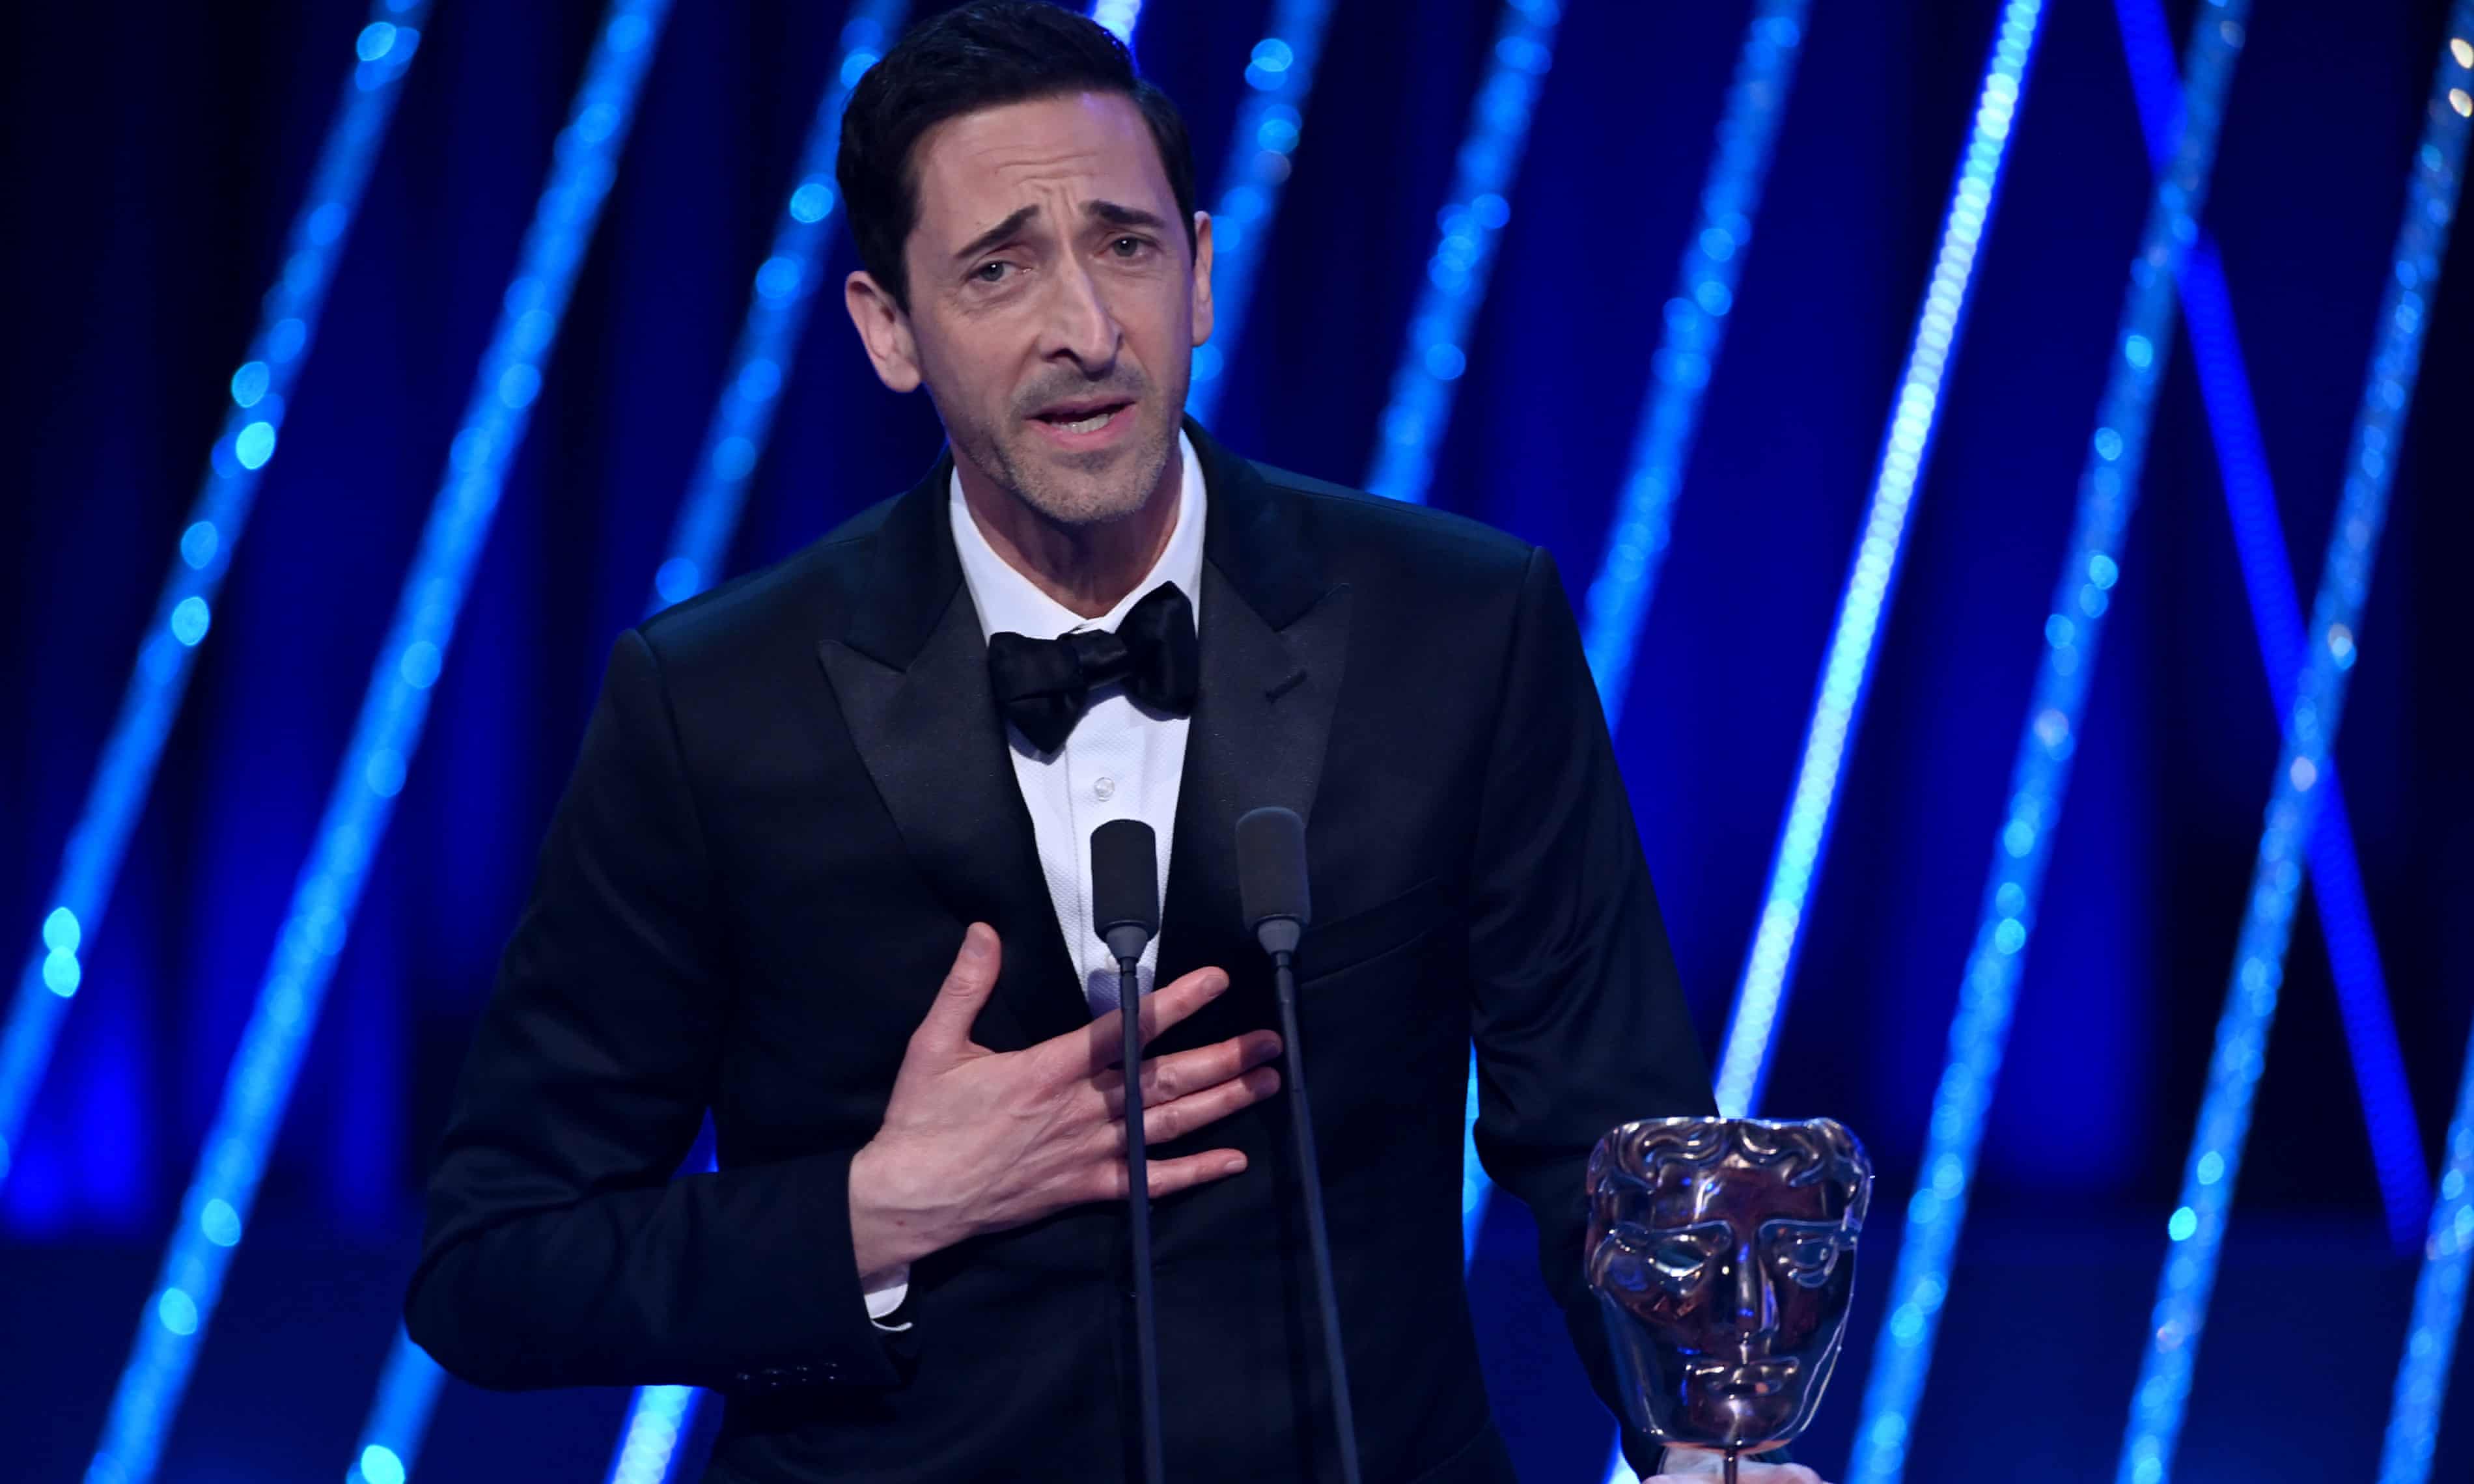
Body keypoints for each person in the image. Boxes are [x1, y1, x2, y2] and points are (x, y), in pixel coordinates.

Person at [406, 5, 1822, 1480]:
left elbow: (1609, 1135)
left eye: (1126, 247)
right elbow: (496, 1264)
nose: (1085, 330)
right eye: (998, 268)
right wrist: (875, 1213)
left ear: (1199, 272)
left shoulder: (1460, 628)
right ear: (888, 328)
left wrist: (1697, 1442)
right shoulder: (716, 702)